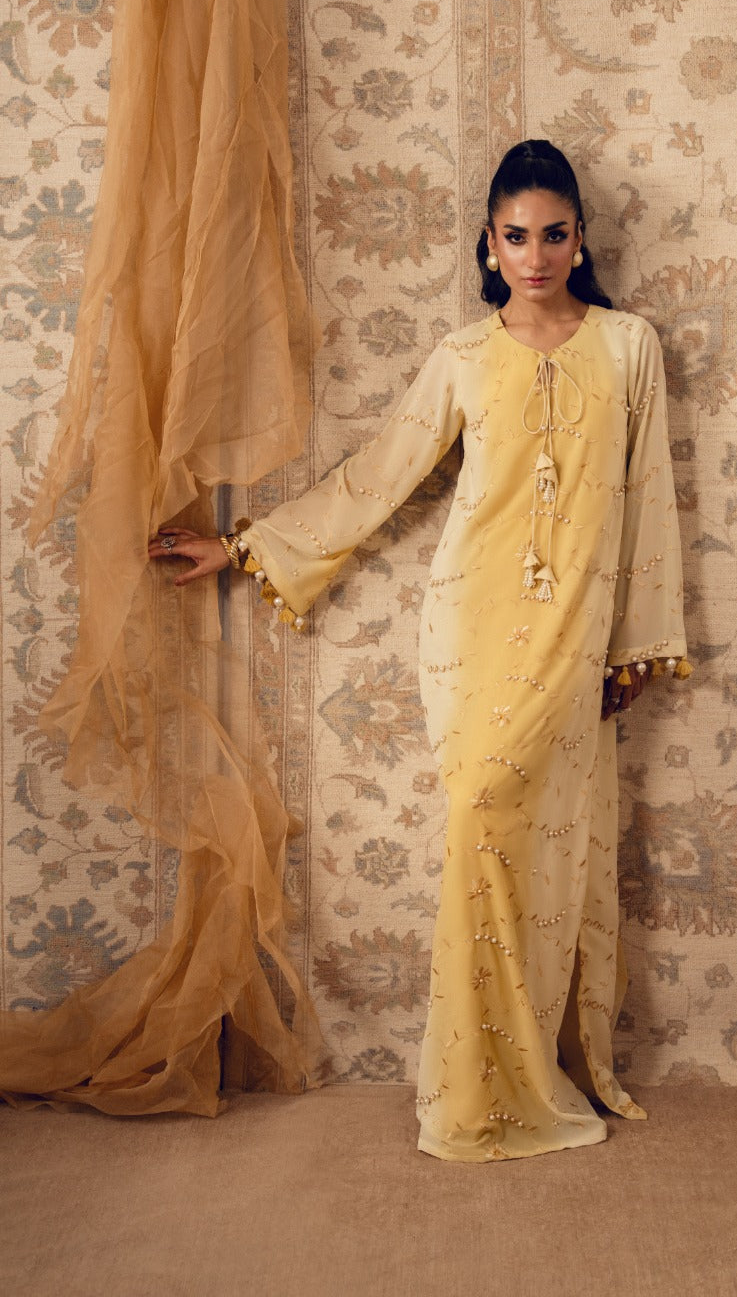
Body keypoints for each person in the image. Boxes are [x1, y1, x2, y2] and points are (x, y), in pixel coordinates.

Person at [150, 139, 689, 1161]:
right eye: (517, 237)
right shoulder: (463, 356)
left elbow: (648, 497)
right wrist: (245, 547)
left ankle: (529, 1070)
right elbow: (384, 472)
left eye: (555, 235)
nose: (537, 256)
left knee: (547, 848)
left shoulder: (630, 348)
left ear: (581, 240)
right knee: (479, 819)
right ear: (489, 245)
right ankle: (476, 1088)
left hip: (575, 633)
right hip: (470, 626)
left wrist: (636, 646)